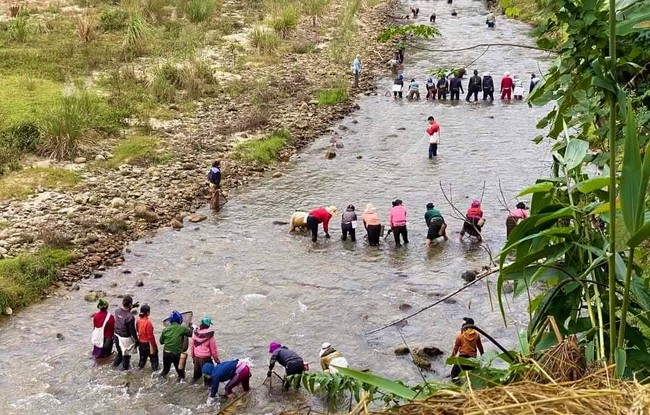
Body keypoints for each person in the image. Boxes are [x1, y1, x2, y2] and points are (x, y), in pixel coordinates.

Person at [159, 310, 193, 381]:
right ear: (180, 320)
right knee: (181, 374)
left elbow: (161, 342)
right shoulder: (182, 328)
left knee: (165, 371)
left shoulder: (165, 329)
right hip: (176, 354)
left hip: (166, 353)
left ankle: (158, 380)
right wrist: (190, 327)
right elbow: (191, 334)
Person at [450, 317, 484, 381]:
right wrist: (483, 357)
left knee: (453, 375)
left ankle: (457, 387)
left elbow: (455, 349)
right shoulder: (477, 335)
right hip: (472, 360)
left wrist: (451, 358)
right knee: (473, 378)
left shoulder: (460, 336)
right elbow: (480, 347)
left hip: (462, 359)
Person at [191, 316, 220, 384]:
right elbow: (214, 350)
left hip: (197, 358)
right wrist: (217, 361)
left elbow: (192, 346)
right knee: (209, 381)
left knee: (195, 378)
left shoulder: (195, 333)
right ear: (208, 325)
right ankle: (207, 393)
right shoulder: (210, 335)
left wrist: (193, 357)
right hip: (206, 360)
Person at [112, 296, 138, 370]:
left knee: (119, 354)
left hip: (116, 335)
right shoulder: (130, 317)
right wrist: (136, 339)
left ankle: (113, 367)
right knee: (126, 356)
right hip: (125, 338)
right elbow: (132, 330)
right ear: (130, 304)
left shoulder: (117, 311)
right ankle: (125, 373)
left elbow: (123, 312)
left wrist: (132, 306)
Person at [136, 304, 159, 371]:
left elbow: (137, 330)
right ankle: (155, 374)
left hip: (141, 343)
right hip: (148, 344)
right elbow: (151, 337)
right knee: (154, 362)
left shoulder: (138, 321)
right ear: (148, 313)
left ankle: (138, 372)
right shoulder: (148, 323)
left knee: (142, 361)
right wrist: (154, 347)